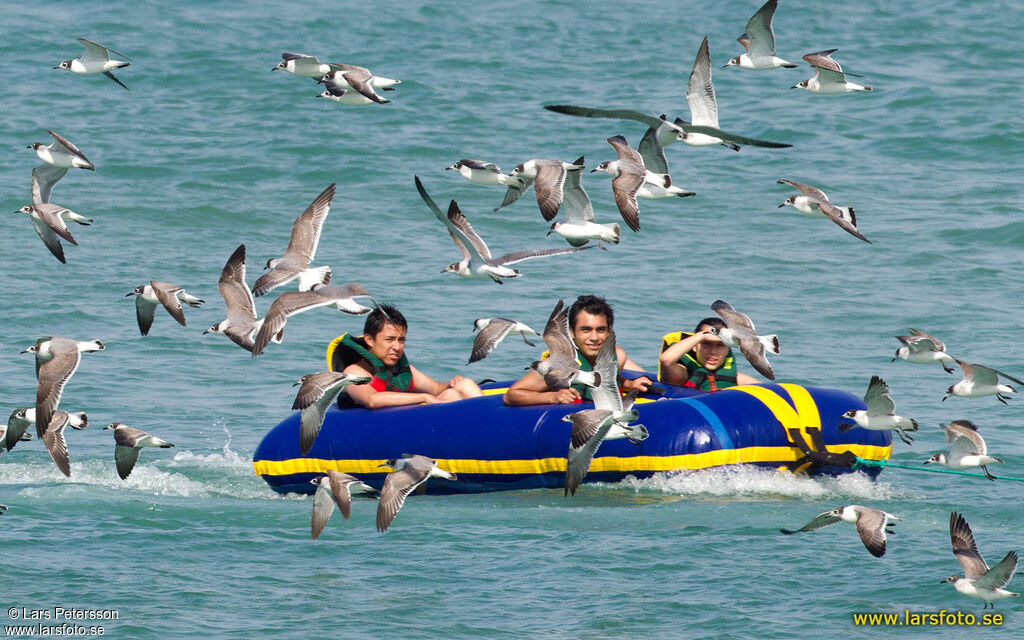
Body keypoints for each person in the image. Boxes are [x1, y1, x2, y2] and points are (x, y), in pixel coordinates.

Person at [504, 295, 654, 406]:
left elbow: (604, 377)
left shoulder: (618, 357)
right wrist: (553, 397)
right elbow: (511, 395)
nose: (594, 337)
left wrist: (627, 383)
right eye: (586, 330)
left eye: (601, 330)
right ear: (572, 333)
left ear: (609, 332)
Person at [329, 305, 482, 408]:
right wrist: (424, 397)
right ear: (369, 339)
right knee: (451, 396)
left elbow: (436, 388)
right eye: (389, 339)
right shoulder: (354, 372)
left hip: (405, 420)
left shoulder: (402, 369)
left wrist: (452, 382)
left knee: (462, 386)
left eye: (401, 340)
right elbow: (372, 400)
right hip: (372, 429)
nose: (397, 347)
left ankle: (491, 422)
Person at [658, 317, 759, 391]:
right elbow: (666, 360)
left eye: (720, 345)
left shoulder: (735, 377)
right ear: (694, 346)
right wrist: (702, 336)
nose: (713, 351)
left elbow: (770, 391)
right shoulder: (682, 374)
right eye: (706, 344)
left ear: (728, 349)